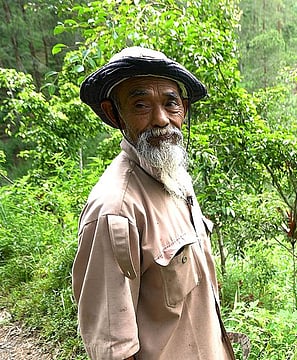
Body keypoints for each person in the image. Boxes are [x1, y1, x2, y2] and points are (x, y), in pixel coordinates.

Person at [72, 47, 235, 360]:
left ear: (183, 110)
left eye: (170, 103)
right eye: (141, 104)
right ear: (113, 113)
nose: (161, 119)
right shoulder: (115, 211)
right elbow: (112, 349)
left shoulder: (175, 179)